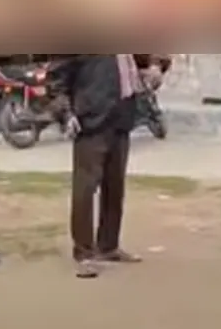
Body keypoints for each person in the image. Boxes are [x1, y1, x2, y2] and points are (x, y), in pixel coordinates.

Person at [60, 54, 154, 278]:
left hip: (121, 117)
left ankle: (108, 245)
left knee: (115, 186)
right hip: (92, 118)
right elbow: (57, 78)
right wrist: (65, 113)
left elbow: (143, 59)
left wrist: (155, 66)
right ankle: (84, 253)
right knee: (85, 188)